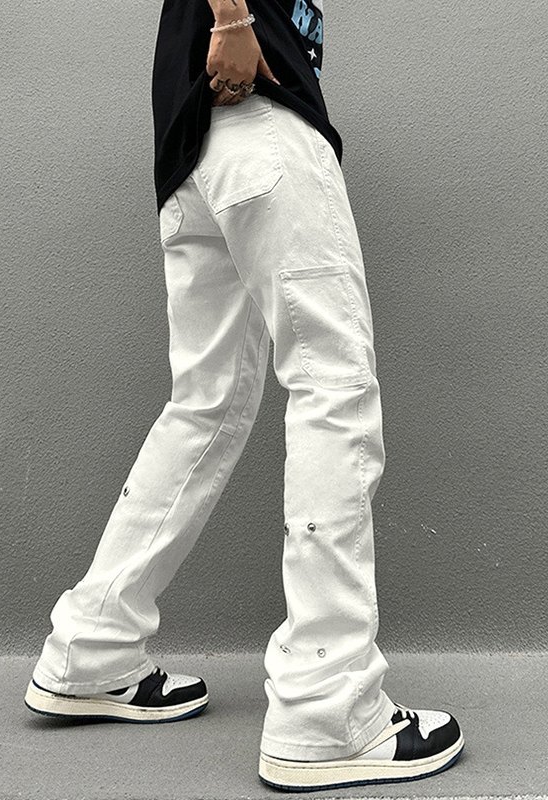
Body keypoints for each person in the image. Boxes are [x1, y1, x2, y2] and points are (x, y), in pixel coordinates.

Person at [24, 0, 465, 791]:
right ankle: (328, 708)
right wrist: (231, 18)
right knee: (333, 388)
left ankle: (91, 648)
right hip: (259, 125)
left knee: (205, 407)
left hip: (193, 155)